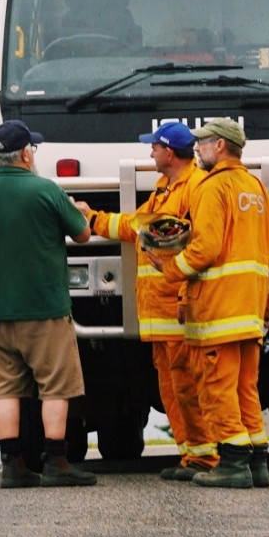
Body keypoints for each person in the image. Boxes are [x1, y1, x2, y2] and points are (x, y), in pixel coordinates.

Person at [0, 119, 98, 488]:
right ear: (27, 154)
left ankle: (12, 466)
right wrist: (76, 208)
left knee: (6, 388)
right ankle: (56, 463)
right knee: (55, 387)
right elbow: (82, 234)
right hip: (45, 310)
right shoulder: (45, 191)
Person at [146, 119, 269, 489]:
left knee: (218, 389)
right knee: (245, 390)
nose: (198, 150)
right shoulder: (255, 188)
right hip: (251, 311)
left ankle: (234, 465)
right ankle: (258, 463)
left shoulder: (211, 187)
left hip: (218, 312)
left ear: (219, 146)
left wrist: (169, 269)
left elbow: (203, 250)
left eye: (202, 144)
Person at [82, 122, 211, 481]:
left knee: (188, 386)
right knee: (173, 388)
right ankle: (191, 455)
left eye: (153, 147)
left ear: (169, 152)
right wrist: (92, 218)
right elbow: (136, 226)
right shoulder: (165, 190)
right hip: (160, 315)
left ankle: (204, 456)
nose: (149, 153)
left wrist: (184, 296)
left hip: (178, 310)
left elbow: (196, 249)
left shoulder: (195, 190)